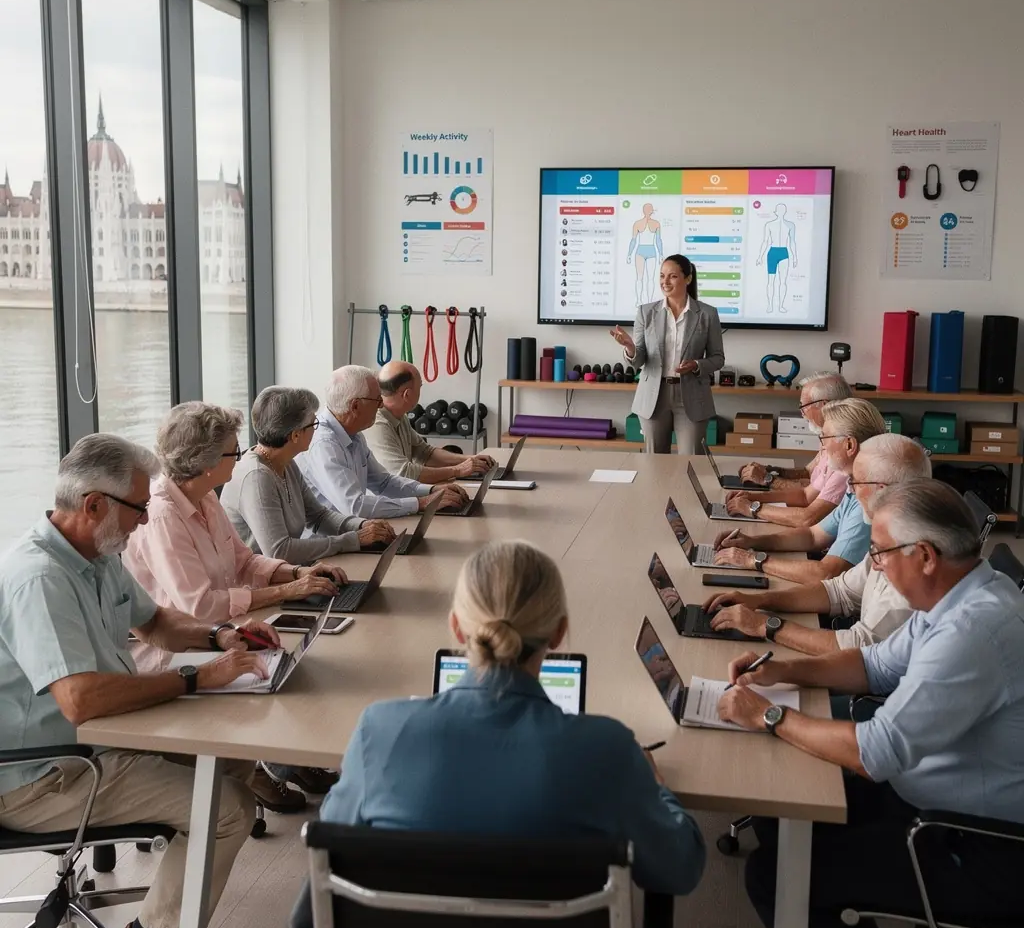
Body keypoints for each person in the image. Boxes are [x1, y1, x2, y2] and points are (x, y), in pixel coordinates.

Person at [0, 434, 279, 928]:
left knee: (230, 756)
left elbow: (155, 623)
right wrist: (195, 677)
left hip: (96, 738)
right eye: (139, 508)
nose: (146, 520)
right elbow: (80, 700)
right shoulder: (39, 578)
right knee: (229, 809)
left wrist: (219, 635)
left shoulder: (98, 555)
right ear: (94, 505)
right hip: (41, 775)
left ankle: (174, 912)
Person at [718, 479, 1024, 928]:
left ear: (924, 555)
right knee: (777, 805)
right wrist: (782, 671)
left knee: (775, 875)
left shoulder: (971, 630)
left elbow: (875, 751)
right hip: (928, 795)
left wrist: (770, 716)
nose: (875, 565)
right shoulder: (959, 591)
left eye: (880, 553)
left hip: (977, 844)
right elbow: (873, 666)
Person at [320, 540, 706, 896]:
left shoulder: (379, 732)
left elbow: (329, 854)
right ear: (559, 633)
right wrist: (656, 787)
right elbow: (681, 868)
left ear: (456, 626)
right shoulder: (608, 750)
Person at [124, 401, 346, 811]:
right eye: (234, 451)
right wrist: (284, 593)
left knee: (296, 657)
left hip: (216, 628)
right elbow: (200, 606)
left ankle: (284, 758)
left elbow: (244, 561)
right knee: (277, 662)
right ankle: (262, 765)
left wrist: (296, 573)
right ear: (205, 463)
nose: (241, 456)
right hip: (173, 647)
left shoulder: (205, 496)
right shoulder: (162, 516)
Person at [705, 434, 930, 652]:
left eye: (855, 482)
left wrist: (763, 624)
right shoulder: (890, 535)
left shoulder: (911, 559)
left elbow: (860, 649)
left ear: (882, 491)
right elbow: (838, 591)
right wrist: (757, 600)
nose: (849, 489)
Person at [713, 398, 885, 583]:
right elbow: (812, 535)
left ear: (849, 445)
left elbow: (825, 573)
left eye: (825, 438)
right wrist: (752, 542)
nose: (823, 447)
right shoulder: (856, 484)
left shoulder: (867, 500)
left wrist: (750, 559)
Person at [221, 385, 396, 562]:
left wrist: (362, 525)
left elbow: (318, 516)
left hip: (284, 573)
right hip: (261, 582)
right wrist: (354, 540)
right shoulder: (257, 477)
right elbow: (280, 551)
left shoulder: (286, 462)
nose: (316, 429)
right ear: (296, 435)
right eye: (314, 423)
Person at [299, 365, 467, 519]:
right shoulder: (324, 443)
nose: (381, 406)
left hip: (355, 529)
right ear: (355, 406)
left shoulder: (353, 433)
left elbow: (384, 482)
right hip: (330, 542)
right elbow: (355, 506)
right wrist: (422, 503)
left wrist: (431, 490)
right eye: (377, 400)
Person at [609, 254, 725, 455]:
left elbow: (717, 358)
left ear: (687, 278)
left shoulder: (707, 314)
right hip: (654, 396)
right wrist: (630, 347)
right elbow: (639, 360)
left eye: (672, 276)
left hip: (692, 395)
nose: (665, 282)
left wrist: (696, 365)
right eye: (662, 276)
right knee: (655, 462)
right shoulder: (646, 312)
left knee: (691, 461)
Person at [726, 372, 851, 528]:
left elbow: (808, 517)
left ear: (824, 406)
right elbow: (807, 482)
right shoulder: (828, 436)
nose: (801, 412)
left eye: (803, 406)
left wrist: (754, 503)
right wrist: (754, 493)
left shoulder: (843, 451)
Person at [366, 361, 496, 482]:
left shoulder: (399, 416)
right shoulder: (377, 424)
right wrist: (457, 471)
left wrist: (469, 459)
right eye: (420, 387)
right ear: (407, 395)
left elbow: (424, 453)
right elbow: (402, 473)